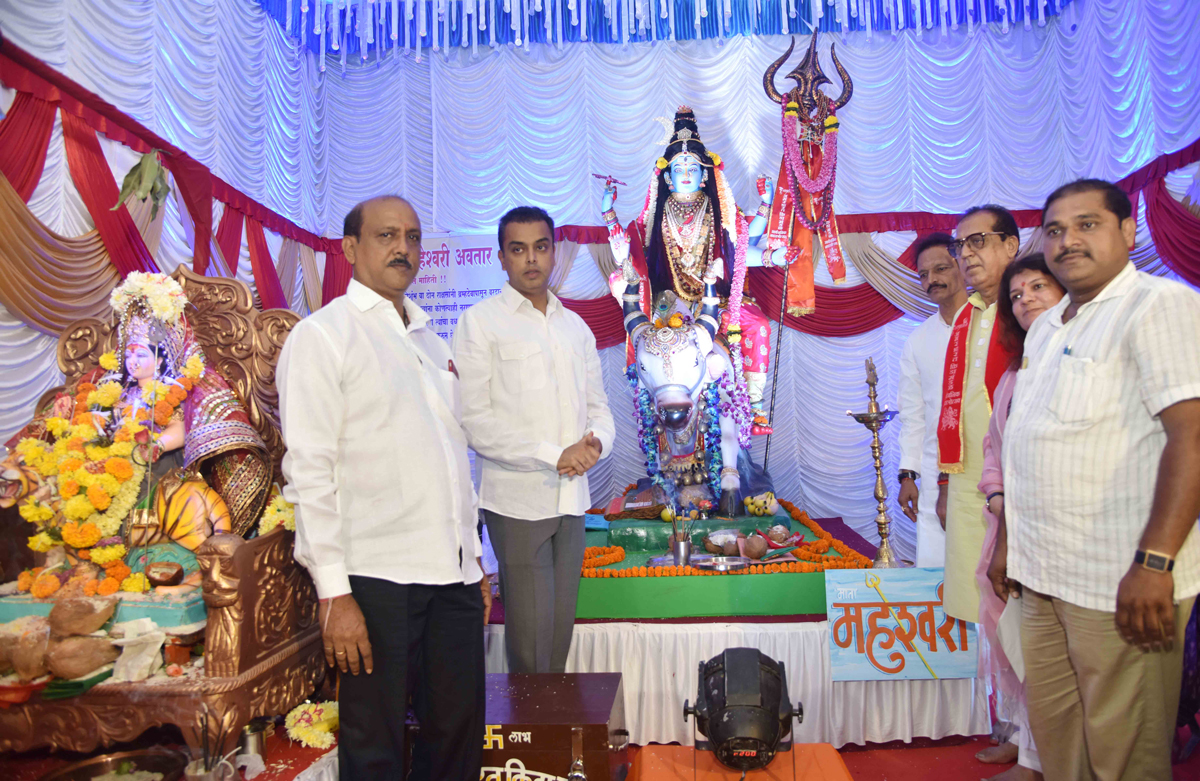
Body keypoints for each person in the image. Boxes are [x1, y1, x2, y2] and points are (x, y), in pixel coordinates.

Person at [278, 195, 489, 781]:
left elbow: (451, 459)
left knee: (457, 739)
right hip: (375, 582)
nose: (404, 248)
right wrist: (334, 595)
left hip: (452, 579)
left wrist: (473, 563)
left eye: (414, 237)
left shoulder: (429, 341)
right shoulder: (324, 337)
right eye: (387, 235)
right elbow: (309, 473)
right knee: (375, 749)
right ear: (350, 248)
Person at [999, 179, 1200, 780]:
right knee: (1060, 748)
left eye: (1088, 224)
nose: (1068, 240)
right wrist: (1010, 544)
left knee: (1126, 756)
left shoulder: (1159, 305)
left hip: (1120, 582)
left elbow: (1191, 438)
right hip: (1042, 578)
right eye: (1056, 229)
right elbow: (1029, 445)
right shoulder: (1049, 325)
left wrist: (1155, 563)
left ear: (1128, 231)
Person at [454, 206, 615, 674]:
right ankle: (530, 733)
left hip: (571, 500)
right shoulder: (480, 322)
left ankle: (551, 736)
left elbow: (600, 408)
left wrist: (595, 445)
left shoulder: (574, 327)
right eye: (518, 249)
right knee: (530, 641)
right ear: (501, 257)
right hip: (517, 503)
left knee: (558, 635)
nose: (531, 260)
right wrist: (554, 455)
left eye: (540, 247)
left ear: (553, 252)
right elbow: (473, 419)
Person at [601, 107, 777, 433]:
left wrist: (769, 249)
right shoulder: (655, 219)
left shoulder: (719, 210)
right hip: (671, 303)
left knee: (760, 325)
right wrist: (609, 214)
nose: (685, 172)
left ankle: (754, 408)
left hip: (717, 301)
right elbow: (629, 254)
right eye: (678, 167)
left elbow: (741, 246)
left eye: (692, 167)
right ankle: (656, 406)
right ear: (666, 177)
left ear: (705, 174)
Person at [974, 253, 1065, 781]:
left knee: (1047, 652)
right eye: (1017, 294)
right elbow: (995, 447)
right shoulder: (1016, 370)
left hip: (1054, 532)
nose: (1026, 297)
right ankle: (1033, 753)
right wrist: (997, 502)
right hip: (1008, 525)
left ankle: (1045, 760)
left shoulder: (1074, 358)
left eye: (1038, 286)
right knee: (1018, 641)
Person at [936, 205, 1021, 623]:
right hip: (967, 476)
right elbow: (954, 402)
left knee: (1017, 602)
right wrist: (944, 482)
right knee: (975, 607)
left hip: (1015, 477)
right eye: (960, 244)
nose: (966, 254)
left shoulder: (1028, 304)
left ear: (1010, 245)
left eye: (977, 241)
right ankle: (991, 688)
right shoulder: (966, 314)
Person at [896, 232, 968, 567]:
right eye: (924, 275)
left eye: (941, 269)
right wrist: (907, 474)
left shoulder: (994, 323)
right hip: (934, 472)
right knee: (938, 571)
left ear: (962, 266)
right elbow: (914, 415)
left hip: (987, 471)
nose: (932, 280)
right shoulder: (918, 340)